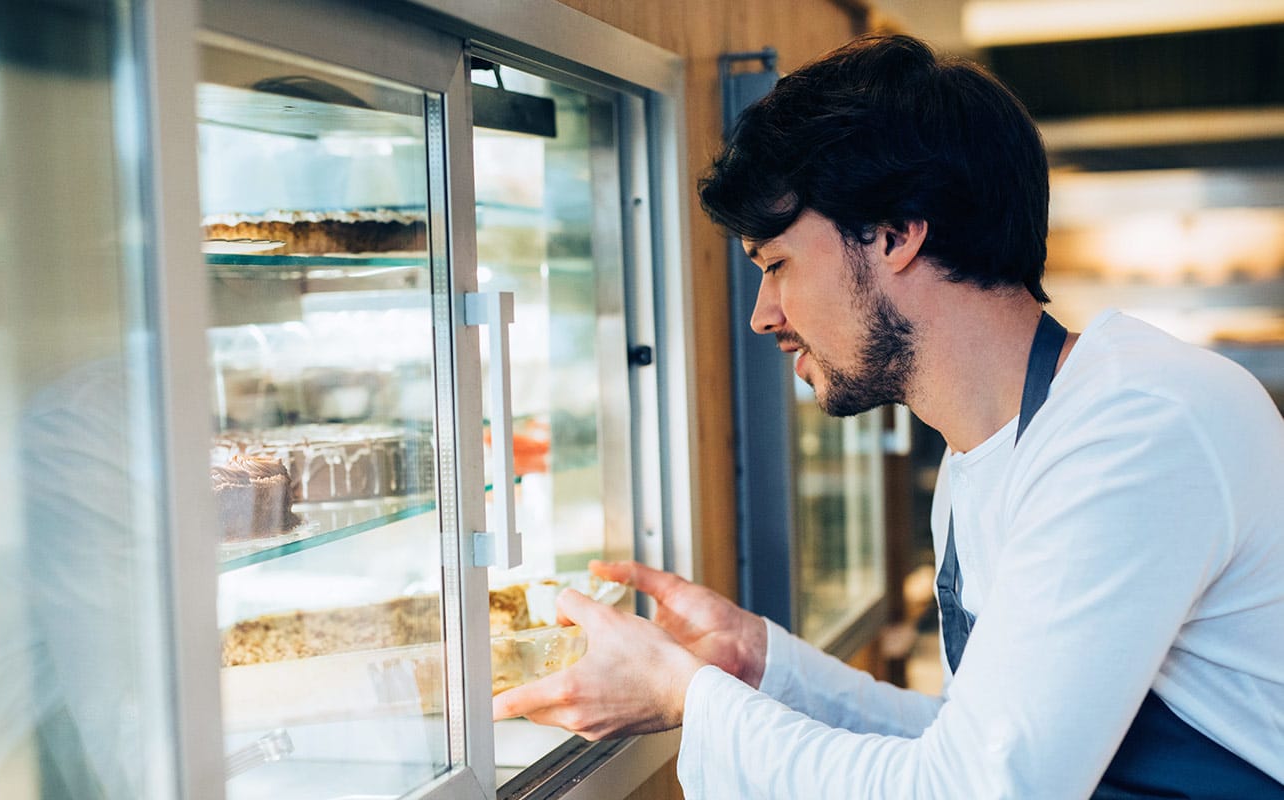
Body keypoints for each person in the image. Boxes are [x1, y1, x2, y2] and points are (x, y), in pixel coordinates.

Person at [492, 33, 1284, 798]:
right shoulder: (981, 460)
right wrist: (761, 664)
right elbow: (974, 740)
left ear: (895, 233)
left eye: (776, 265)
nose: (762, 315)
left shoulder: (1137, 429)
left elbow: (981, 789)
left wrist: (686, 696)